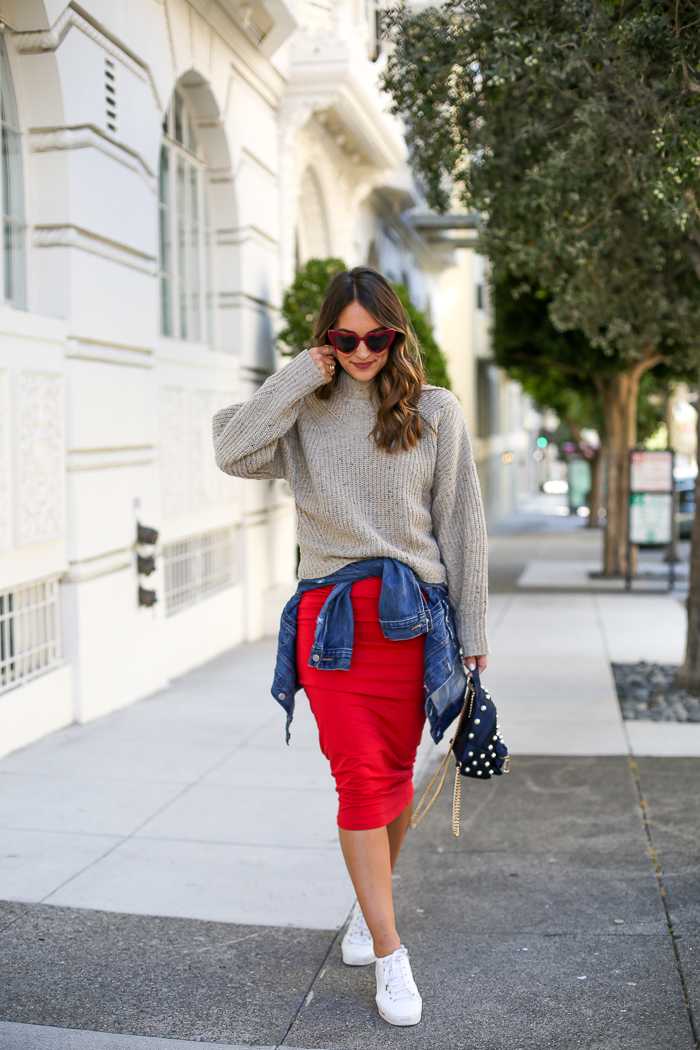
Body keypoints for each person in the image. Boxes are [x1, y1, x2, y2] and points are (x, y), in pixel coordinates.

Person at [213, 266, 488, 1027]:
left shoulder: (436, 412)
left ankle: (370, 911)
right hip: (332, 627)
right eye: (345, 338)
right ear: (327, 338)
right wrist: (302, 374)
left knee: (395, 779)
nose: (362, 351)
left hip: (415, 627)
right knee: (362, 781)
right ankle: (391, 955)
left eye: (376, 337)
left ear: (397, 334)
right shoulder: (307, 409)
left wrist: (476, 635)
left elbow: (463, 524)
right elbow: (232, 449)